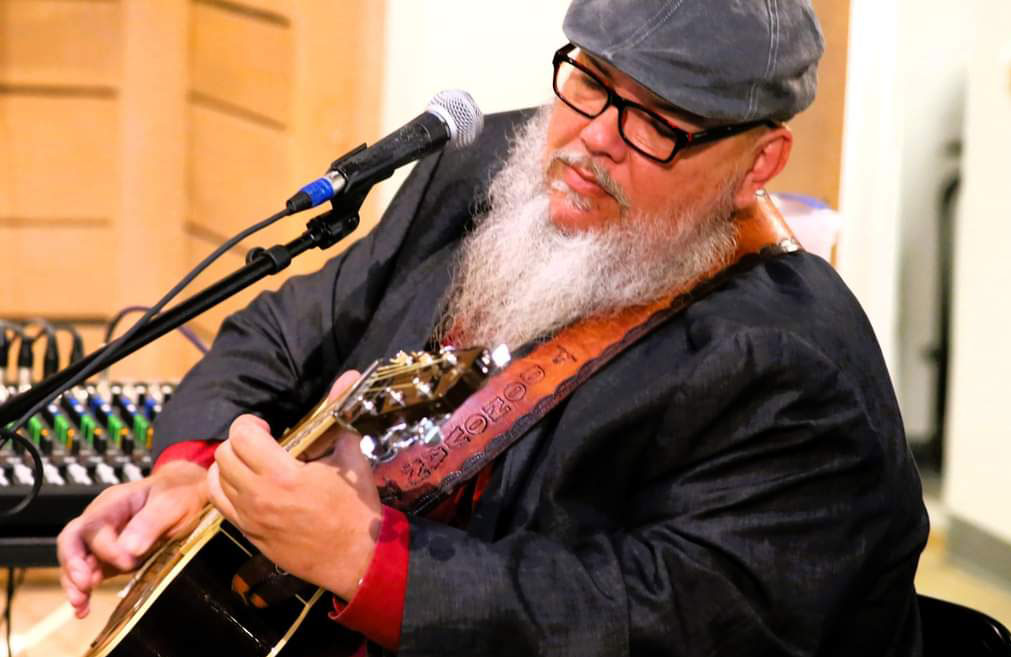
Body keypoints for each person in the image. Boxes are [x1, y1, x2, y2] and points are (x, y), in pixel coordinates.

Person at [58, 1, 930, 655]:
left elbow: (656, 620)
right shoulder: (485, 167)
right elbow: (284, 332)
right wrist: (193, 474)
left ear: (759, 161)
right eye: (589, 82)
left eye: (659, 124)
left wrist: (368, 561)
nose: (593, 140)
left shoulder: (794, 369)